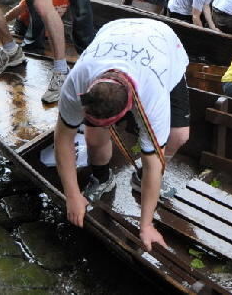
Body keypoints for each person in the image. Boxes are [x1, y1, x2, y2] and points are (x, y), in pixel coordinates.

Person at [53, 20, 191, 251]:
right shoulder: (79, 79)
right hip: (116, 31)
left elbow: (152, 162)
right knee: (94, 138)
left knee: (178, 137)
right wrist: (72, 196)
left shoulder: (152, 97)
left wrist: (146, 225)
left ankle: (141, 182)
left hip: (163, 47)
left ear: (128, 110)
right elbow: (62, 139)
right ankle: (101, 178)